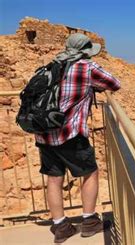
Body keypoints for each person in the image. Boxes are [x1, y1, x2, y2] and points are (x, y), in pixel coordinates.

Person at [35, 33, 121, 243]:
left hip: (44, 133)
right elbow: (114, 83)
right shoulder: (86, 67)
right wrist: (92, 86)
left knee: (54, 178)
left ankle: (60, 226)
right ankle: (89, 221)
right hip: (70, 133)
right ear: (85, 51)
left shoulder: (52, 65)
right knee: (90, 172)